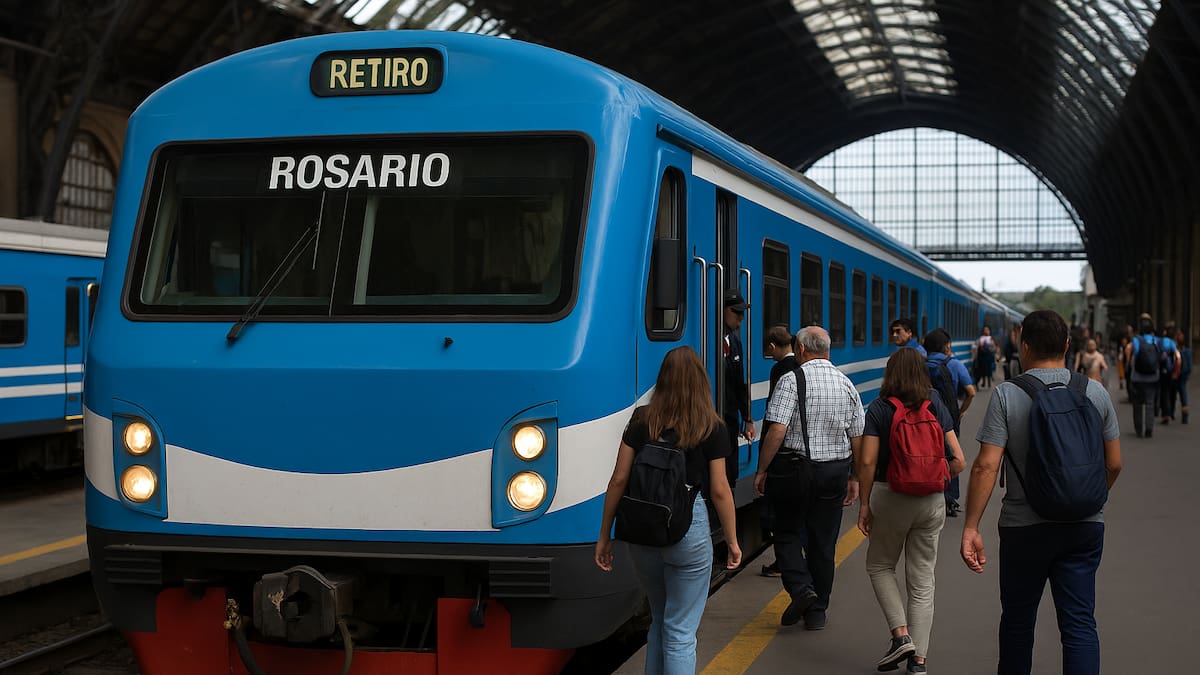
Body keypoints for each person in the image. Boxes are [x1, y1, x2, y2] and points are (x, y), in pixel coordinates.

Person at [961, 310, 1122, 675]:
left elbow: (987, 465)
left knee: (1018, 622)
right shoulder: (1094, 391)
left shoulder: (1007, 394)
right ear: (1067, 345)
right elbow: (1114, 464)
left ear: (1024, 344)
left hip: (1024, 528)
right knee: (1080, 625)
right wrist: (1090, 496)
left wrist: (971, 526)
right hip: (1083, 526)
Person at [595, 346, 742, 675]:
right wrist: (731, 540)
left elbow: (618, 480)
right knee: (680, 631)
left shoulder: (641, 420)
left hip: (642, 530)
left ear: (662, 380)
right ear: (700, 382)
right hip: (688, 529)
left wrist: (605, 535)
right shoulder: (711, 426)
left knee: (660, 621)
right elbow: (719, 489)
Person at [857, 348, 967, 674]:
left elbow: (866, 461)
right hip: (932, 500)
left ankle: (900, 635)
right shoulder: (934, 403)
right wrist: (934, 477)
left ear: (890, 372)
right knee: (922, 581)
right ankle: (918, 663)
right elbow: (959, 459)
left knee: (879, 566)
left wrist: (864, 504)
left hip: (890, 496)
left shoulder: (879, 407)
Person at [755, 326, 864, 630]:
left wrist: (762, 469)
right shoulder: (846, 384)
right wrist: (855, 476)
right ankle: (817, 611)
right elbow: (857, 438)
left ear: (801, 350)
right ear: (827, 350)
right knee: (823, 542)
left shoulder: (791, 380)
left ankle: (802, 590)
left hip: (795, 470)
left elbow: (777, 430)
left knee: (787, 532)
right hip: (834, 472)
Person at [923, 328, 976, 517]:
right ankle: (949, 498)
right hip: (949, 419)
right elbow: (971, 391)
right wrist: (961, 412)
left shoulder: (920, 364)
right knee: (952, 455)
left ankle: (927, 490)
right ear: (947, 347)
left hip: (924, 419)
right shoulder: (954, 364)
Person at [759, 325, 796, 578]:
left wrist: (763, 463)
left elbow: (775, 418)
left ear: (772, 347)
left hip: (781, 453)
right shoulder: (803, 367)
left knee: (780, 514)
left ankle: (783, 563)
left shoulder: (780, 370)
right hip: (802, 451)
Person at [721, 290, 755, 487]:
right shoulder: (710, 339)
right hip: (718, 414)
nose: (740, 319)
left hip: (731, 416)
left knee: (730, 468)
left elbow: (740, 383)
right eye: (736, 313)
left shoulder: (734, 342)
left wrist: (748, 418)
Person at [1125, 314, 1169, 438]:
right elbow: (1164, 355)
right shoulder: (1157, 340)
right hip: (1153, 377)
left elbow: (1134, 353)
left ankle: (1139, 428)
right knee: (1150, 403)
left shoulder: (1136, 340)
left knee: (1137, 404)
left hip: (1137, 377)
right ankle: (1149, 428)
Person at [1157, 321, 1181, 425]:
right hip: (1170, 370)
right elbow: (1178, 357)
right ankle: (1170, 412)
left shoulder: (1160, 341)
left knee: (1163, 392)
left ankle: (1164, 413)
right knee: (1171, 392)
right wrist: (1176, 371)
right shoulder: (1173, 343)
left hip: (1161, 370)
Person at [1175, 329, 1191, 424]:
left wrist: (1186, 373)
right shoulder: (1176, 348)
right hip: (1177, 375)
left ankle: (1185, 416)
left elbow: (1188, 364)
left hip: (1182, 375)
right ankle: (1170, 413)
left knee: (1183, 396)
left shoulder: (1186, 350)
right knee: (1173, 395)